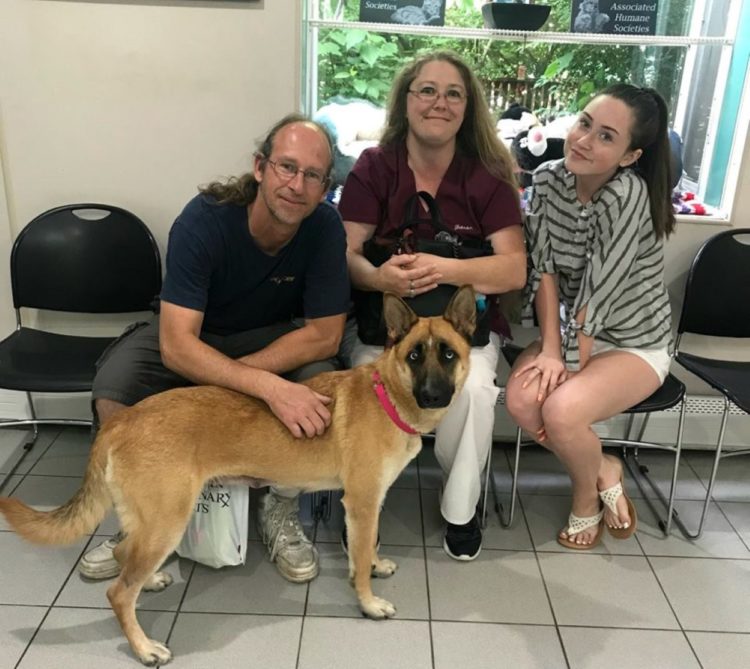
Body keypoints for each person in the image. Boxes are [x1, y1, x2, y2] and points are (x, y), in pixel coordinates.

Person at [78, 114, 351, 582]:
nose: (296, 184)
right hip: (193, 332)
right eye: (287, 167)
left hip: (267, 333)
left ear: (325, 187)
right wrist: (258, 384)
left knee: (320, 381)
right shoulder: (204, 219)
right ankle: (140, 523)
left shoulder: (325, 227)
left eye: (312, 176)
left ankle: (279, 507)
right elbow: (178, 345)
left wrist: (237, 379)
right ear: (260, 167)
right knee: (115, 383)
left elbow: (324, 334)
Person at [338, 51, 526, 561]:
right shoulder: (374, 168)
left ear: (468, 108)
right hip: (387, 327)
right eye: (427, 90)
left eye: (453, 93)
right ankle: (362, 506)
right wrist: (379, 277)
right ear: (406, 100)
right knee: (369, 389)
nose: (439, 103)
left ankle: (461, 512)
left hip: (463, 328)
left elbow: (513, 269)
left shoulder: (489, 175)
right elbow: (343, 254)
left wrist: (443, 269)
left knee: (474, 395)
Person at [505, 84, 676, 549]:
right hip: (571, 329)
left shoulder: (627, 195)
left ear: (628, 155)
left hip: (634, 342)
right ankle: (604, 468)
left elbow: (598, 293)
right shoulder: (545, 181)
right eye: (584, 123)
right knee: (521, 402)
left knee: (559, 411)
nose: (583, 140)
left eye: (606, 136)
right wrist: (551, 353)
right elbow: (542, 271)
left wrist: (568, 368)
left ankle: (584, 499)